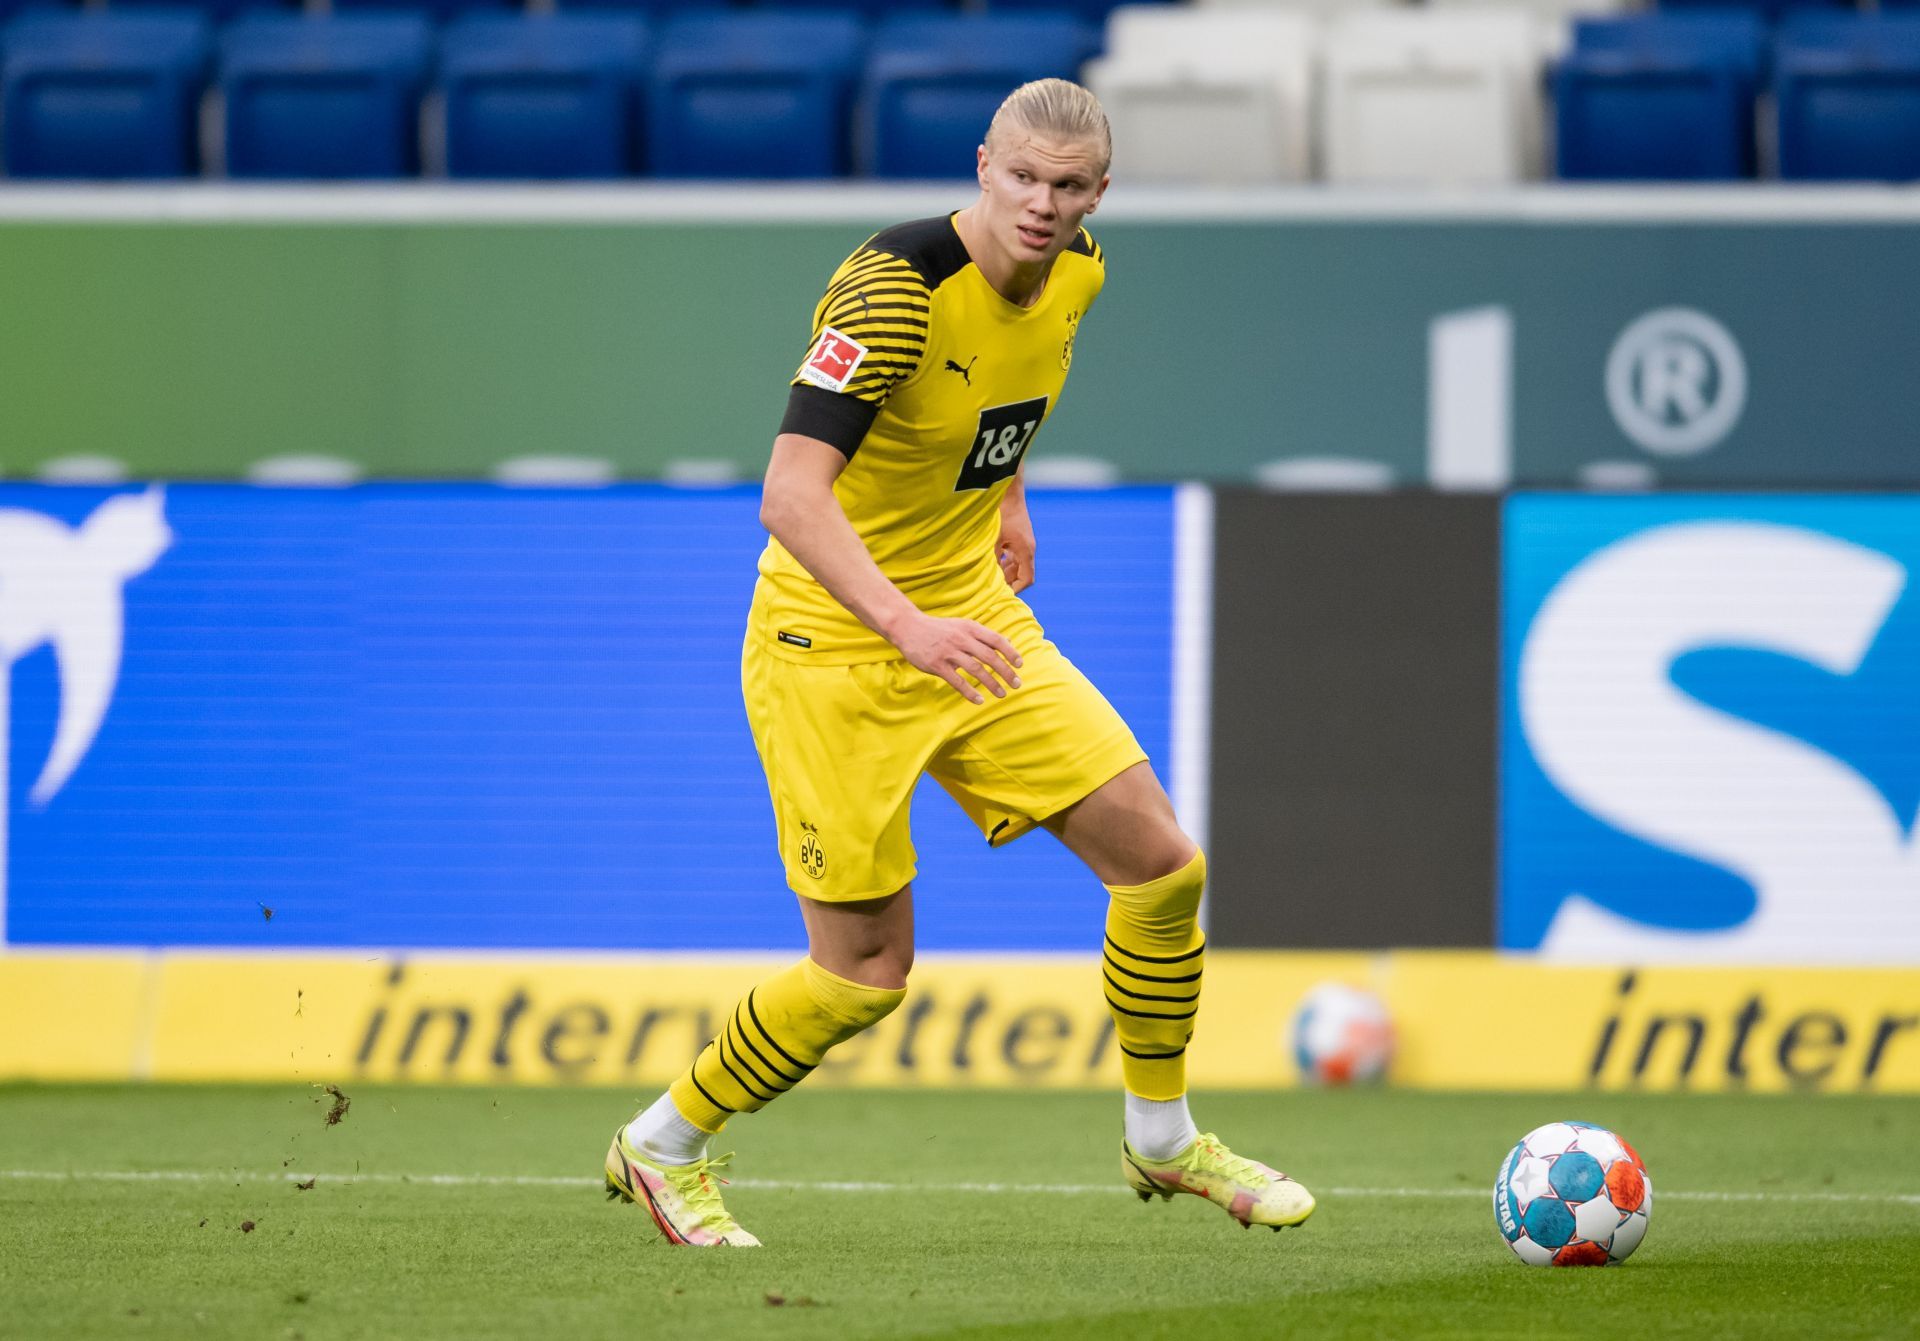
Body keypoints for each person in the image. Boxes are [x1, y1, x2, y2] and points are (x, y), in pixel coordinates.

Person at [603, 78, 1315, 1247]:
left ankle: (1164, 1140)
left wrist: (1006, 496)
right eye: (1023, 178)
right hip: (833, 647)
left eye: (1068, 187)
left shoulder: (1081, 270)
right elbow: (790, 493)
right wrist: (906, 628)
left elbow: (993, 401)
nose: (1042, 206)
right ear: (983, 165)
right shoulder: (892, 291)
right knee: (863, 974)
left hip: (969, 619)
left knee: (1161, 866)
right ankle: (662, 1143)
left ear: (1100, 193)